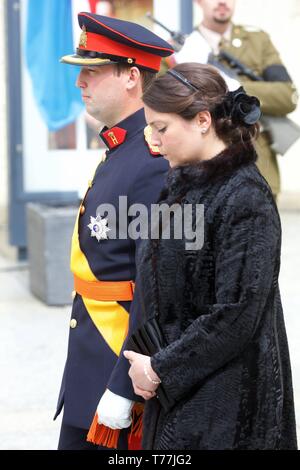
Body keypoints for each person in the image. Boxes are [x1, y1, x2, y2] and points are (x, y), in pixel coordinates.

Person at [124, 63, 298, 450]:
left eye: (161, 128)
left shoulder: (245, 197)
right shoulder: (181, 185)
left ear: (203, 120)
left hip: (230, 409)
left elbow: (237, 314)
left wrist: (160, 368)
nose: (154, 141)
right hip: (178, 394)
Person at [54, 12, 174, 450]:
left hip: (119, 373)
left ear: (131, 76)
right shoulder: (122, 146)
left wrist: (123, 387)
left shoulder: (153, 159)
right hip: (92, 364)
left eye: (92, 70)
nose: (79, 82)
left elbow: (159, 285)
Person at [174, 0, 298, 200]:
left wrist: (236, 87)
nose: (222, 2)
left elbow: (287, 95)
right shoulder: (182, 48)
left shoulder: (258, 41)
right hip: (201, 169)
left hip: (257, 166)